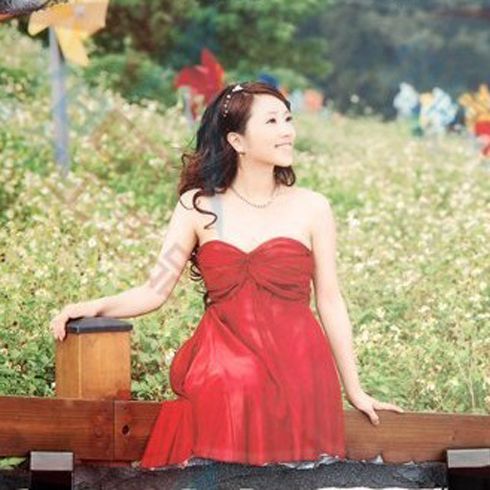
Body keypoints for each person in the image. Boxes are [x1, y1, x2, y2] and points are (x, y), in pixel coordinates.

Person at [50, 81, 404, 470]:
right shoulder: (198, 206)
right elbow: (155, 290)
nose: (287, 131)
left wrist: (354, 389)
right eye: (271, 121)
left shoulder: (312, 208)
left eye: (288, 119)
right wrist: (93, 306)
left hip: (302, 371)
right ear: (237, 140)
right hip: (224, 373)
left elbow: (330, 300)